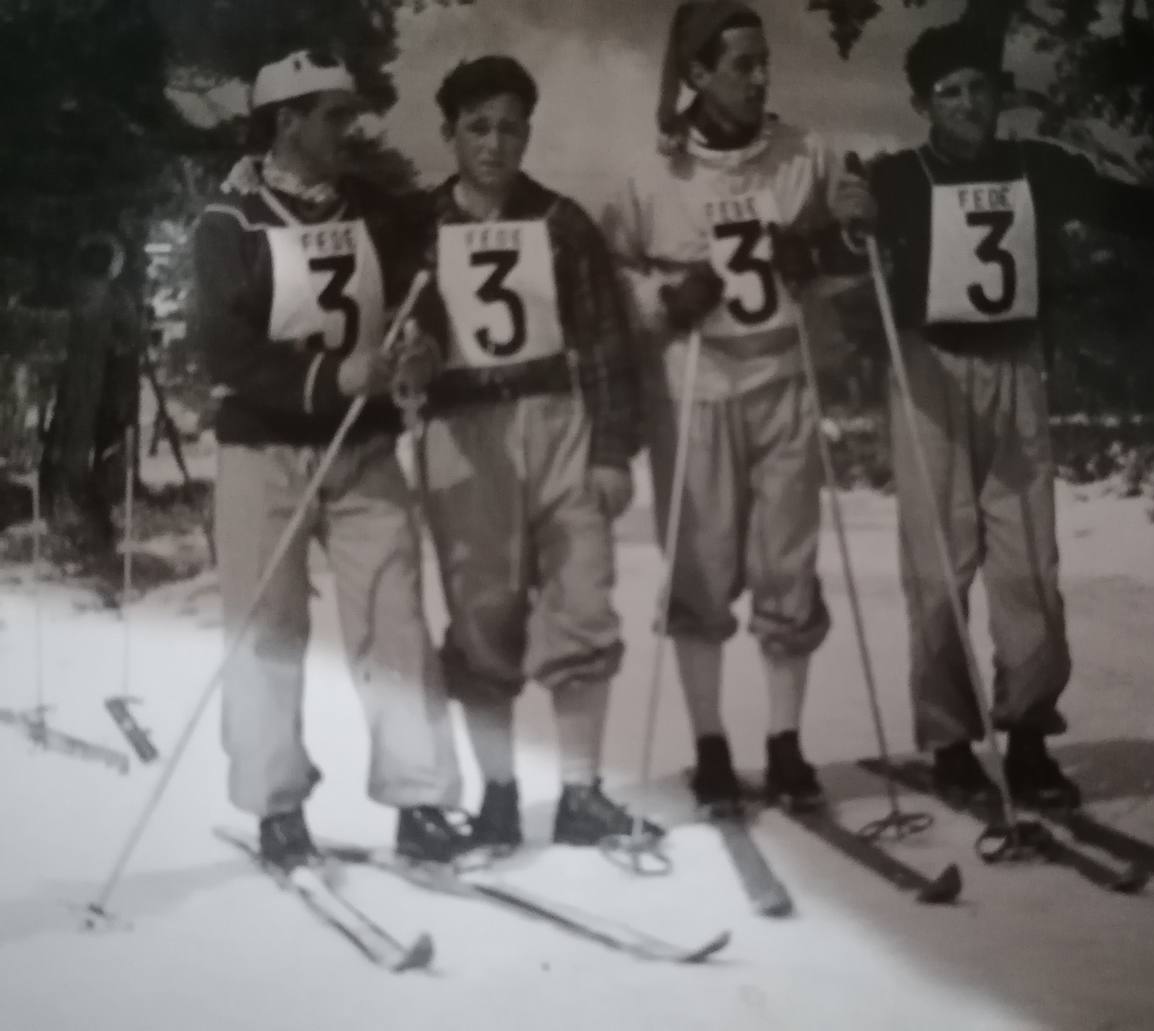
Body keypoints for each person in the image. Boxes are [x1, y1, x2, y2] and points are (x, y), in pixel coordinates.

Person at [863, 21, 1154, 810]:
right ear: (922, 104)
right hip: (928, 374)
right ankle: (949, 740)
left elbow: (1122, 205)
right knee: (940, 564)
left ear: (999, 95)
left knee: (1029, 565)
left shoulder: (1034, 167)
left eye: (981, 88)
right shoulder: (899, 176)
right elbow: (836, 240)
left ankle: (1028, 739)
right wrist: (843, 220)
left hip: (1015, 367)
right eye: (951, 93)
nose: (969, 105)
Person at [192, 50, 469, 873]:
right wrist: (325, 378)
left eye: (352, 115)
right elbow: (222, 345)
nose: (351, 130)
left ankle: (419, 799)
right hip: (263, 453)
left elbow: (427, 305)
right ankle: (278, 807)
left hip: (364, 448)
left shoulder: (374, 211)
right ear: (286, 124)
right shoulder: (228, 220)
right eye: (333, 117)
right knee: (267, 630)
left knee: (396, 623)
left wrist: (422, 351)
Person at [601, 1, 873, 813]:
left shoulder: (801, 156)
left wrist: (827, 245)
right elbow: (612, 280)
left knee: (788, 565)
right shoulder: (654, 175)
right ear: (695, 75)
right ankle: (710, 747)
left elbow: (848, 256)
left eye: (764, 64)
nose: (759, 78)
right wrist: (663, 298)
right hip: (693, 389)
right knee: (701, 566)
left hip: (782, 379)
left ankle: (786, 745)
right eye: (740, 65)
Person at [413, 56, 661, 851]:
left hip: (560, 421)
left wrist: (615, 450)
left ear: (528, 133)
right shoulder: (418, 227)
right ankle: (497, 793)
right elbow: (399, 332)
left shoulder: (561, 221)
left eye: (511, 126)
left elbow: (604, 343)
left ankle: (582, 792)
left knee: (582, 601)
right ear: (450, 133)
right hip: (465, 430)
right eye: (478, 126)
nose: (495, 142)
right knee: (483, 613)